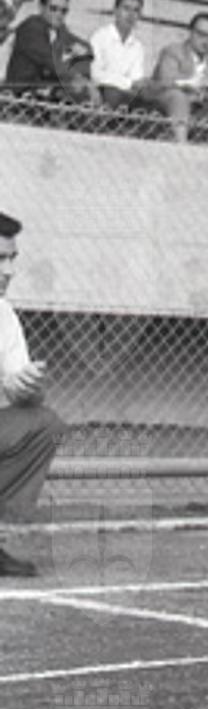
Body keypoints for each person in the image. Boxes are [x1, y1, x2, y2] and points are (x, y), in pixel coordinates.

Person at [0, 210, 65, 575]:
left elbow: (18, 389)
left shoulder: (4, 316)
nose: (9, 271)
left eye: (12, 259)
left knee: (42, 424)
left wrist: (28, 390)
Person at [139, 11, 208, 146]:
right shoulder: (173, 51)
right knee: (178, 96)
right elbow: (166, 80)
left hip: (198, 113)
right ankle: (182, 147)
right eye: (201, 34)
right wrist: (196, 86)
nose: (206, 41)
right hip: (164, 109)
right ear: (190, 32)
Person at [3, 0, 94, 107]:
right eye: (53, 9)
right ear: (41, 7)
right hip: (20, 93)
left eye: (63, 11)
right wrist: (76, 73)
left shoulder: (60, 30)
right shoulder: (31, 27)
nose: (59, 14)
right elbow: (50, 60)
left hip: (44, 92)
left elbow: (85, 48)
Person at [89, 0, 150, 114]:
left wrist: (131, 84)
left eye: (136, 10)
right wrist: (128, 83)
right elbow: (95, 74)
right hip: (103, 94)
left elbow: (137, 80)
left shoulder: (137, 46)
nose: (131, 15)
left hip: (126, 96)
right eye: (126, 8)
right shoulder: (100, 37)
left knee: (148, 101)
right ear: (116, 10)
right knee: (112, 93)